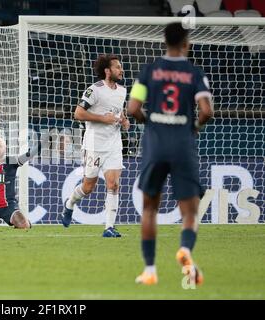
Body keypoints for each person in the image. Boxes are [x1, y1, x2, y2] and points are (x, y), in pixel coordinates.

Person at [127, 22, 213, 285]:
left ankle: (150, 271)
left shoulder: (148, 71)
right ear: (186, 43)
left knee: (150, 209)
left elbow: (132, 109)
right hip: (182, 144)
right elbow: (207, 110)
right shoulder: (194, 72)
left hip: (155, 144)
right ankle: (185, 250)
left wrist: (149, 121)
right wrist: (193, 128)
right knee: (189, 212)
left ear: (164, 41)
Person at [61, 54, 130, 237]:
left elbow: (118, 111)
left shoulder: (122, 90)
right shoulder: (95, 90)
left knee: (113, 184)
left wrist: (124, 120)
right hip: (94, 144)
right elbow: (78, 113)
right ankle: (70, 203)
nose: (121, 70)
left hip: (114, 144)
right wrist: (102, 118)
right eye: (117, 67)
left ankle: (109, 227)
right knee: (88, 187)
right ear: (107, 71)